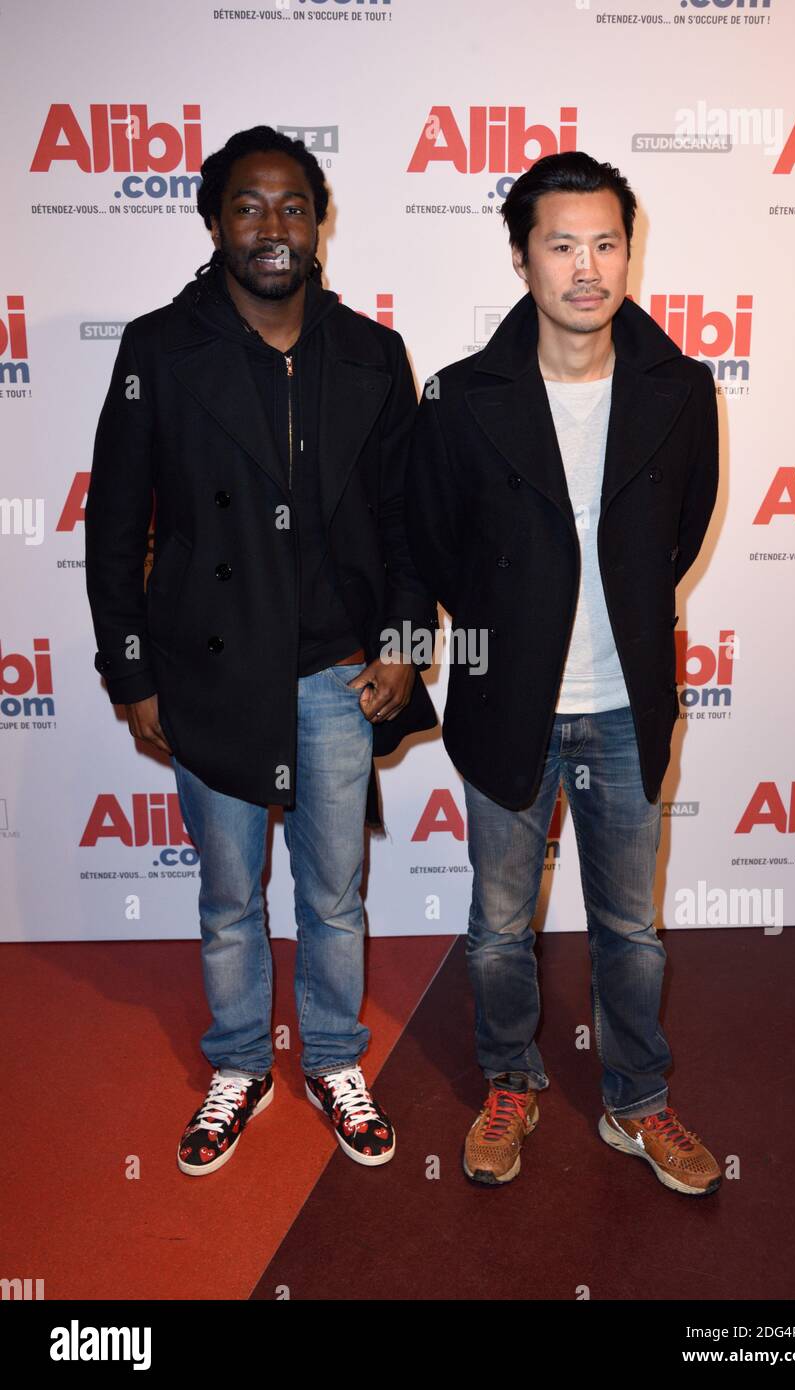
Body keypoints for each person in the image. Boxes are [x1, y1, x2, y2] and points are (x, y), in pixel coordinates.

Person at [85, 125, 437, 1175]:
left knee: (334, 891)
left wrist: (409, 646)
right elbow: (115, 524)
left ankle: (333, 1054)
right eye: (249, 206)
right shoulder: (160, 348)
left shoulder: (372, 354)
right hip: (209, 669)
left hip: (338, 670)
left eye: (293, 206)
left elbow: (412, 524)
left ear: (320, 222)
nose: (273, 226)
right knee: (230, 894)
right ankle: (238, 1061)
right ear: (214, 222)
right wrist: (132, 673)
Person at [405, 151, 721, 1196]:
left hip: (627, 705)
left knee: (631, 929)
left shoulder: (679, 387)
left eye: (606, 243)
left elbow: (674, 536)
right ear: (520, 256)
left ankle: (638, 1098)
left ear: (629, 249)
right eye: (562, 245)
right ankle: (511, 1079)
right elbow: (434, 547)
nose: (587, 268)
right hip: (510, 707)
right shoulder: (457, 397)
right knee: (500, 928)